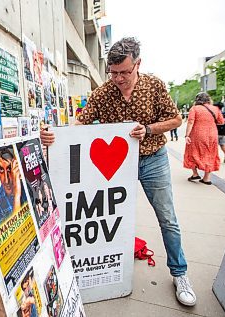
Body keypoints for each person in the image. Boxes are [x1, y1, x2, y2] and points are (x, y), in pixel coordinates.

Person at [40, 37, 197, 306]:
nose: (119, 78)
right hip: (116, 166)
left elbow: (175, 119)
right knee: (106, 217)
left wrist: (148, 129)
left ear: (138, 64)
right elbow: (81, 120)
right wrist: (55, 135)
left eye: (125, 72)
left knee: (167, 217)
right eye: (113, 73)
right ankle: (106, 271)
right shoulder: (103, 93)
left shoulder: (154, 85)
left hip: (153, 159)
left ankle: (180, 273)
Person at [184, 92, 224, 184]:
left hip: (197, 135)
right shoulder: (215, 109)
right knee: (210, 154)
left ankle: (195, 174)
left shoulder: (194, 109)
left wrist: (187, 135)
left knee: (193, 152)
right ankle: (206, 178)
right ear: (208, 99)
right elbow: (221, 122)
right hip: (212, 134)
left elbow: (190, 122)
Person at [0, 147, 26, 229]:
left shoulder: (27, 187)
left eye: (10, 169)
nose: (6, 180)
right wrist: (17, 196)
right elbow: (16, 234)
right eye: (1, 170)